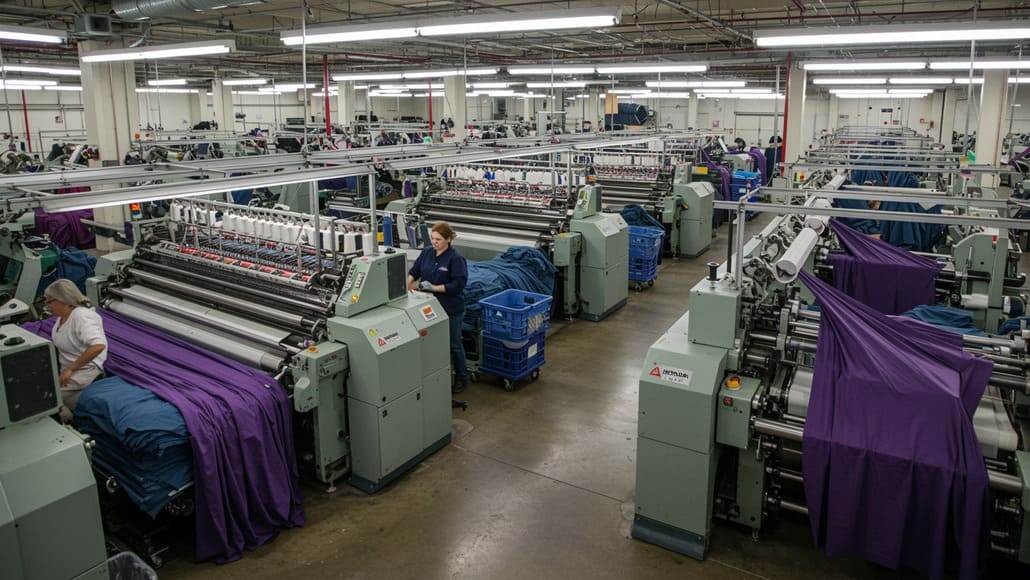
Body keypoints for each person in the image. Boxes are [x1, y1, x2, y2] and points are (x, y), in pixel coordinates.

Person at [407, 222, 469, 393]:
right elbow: (416, 270)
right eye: (433, 238)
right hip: (429, 307)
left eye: (438, 239)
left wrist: (434, 288)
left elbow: (458, 285)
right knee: (432, 342)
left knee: (454, 344)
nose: (434, 242)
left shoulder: (456, 259)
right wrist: (408, 282)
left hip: (450, 309)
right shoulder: (427, 252)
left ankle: (462, 377)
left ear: (448, 239)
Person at [43, 279, 108, 422]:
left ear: (63, 300)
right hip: (69, 374)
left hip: (84, 374)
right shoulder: (62, 317)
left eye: (49, 301)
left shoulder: (82, 316)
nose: (47, 305)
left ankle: (69, 423)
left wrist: (70, 369)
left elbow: (98, 346)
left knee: (46, 401)